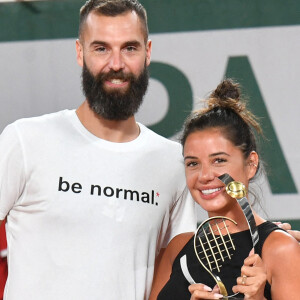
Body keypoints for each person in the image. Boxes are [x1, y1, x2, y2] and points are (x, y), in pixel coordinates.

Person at [0, 1, 197, 299]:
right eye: (101, 48)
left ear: (148, 52)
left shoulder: (172, 162)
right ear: (80, 52)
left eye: (129, 48)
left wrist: (265, 240)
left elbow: (174, 271)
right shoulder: (25, 140)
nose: (116, 64)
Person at [149, 79, 300, 300]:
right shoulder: (177, 249)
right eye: (193, 163)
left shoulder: (281, 250)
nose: (205, 176)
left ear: (251, 164)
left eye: (219, 160)